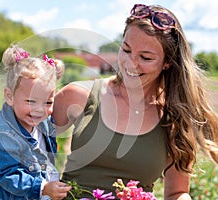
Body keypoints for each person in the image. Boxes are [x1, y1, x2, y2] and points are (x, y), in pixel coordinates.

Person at [52, 4, 218, 200]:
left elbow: (177, 192)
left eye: (145, 57)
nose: (131, 63)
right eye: (126, 50)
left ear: (167, 63)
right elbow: (24, 145)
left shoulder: (174, 119)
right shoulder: (78, 95)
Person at [0, 44, 71, 200]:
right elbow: (7, 176)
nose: (40, 110)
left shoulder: (44, 122)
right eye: (31, 101)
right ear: (9, 96)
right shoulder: (3, 135)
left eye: (48, 102)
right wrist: (42, 187)